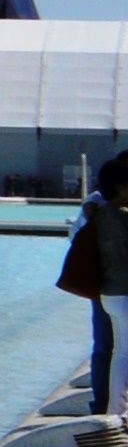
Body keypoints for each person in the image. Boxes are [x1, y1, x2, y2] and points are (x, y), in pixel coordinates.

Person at [68, 166, 128, 417]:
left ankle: (109, 408)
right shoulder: (106, 210)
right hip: (115, 290)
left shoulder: (96, 208)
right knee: (111, 349)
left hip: (105, 291)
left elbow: (74, 239)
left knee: (112, 350)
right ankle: (108, 408)